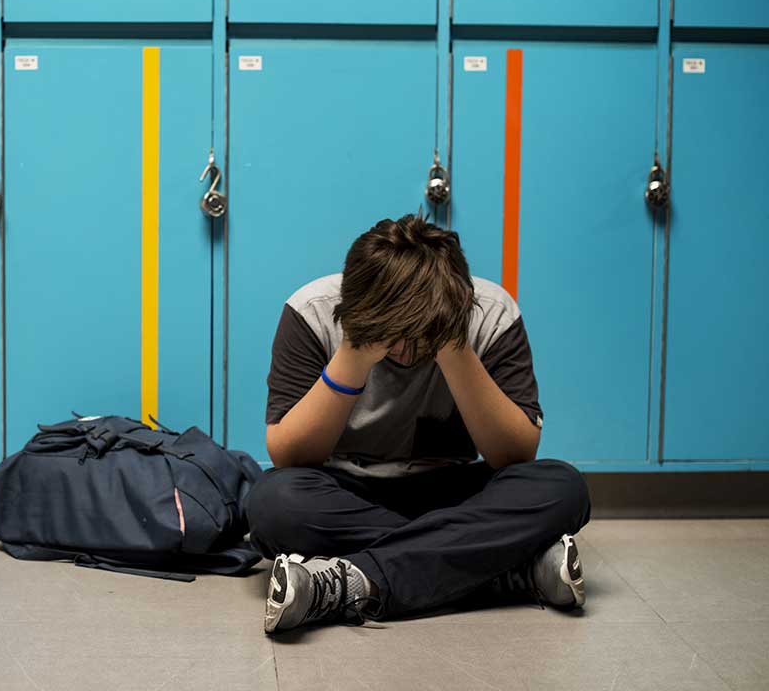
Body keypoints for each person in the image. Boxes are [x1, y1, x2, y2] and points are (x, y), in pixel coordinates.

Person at [247, 214, 591, 633]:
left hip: (451, 490)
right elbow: (290, 454)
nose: (408, 351)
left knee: (563, 489)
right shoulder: (312, 312)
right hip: (345, 491)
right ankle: (502, 569)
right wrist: (355, 353)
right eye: (396, 330)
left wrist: (452, 347)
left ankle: (345, 582)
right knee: (273, 504)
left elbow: (513, 455)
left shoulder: (491, 313)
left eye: (419, 331)